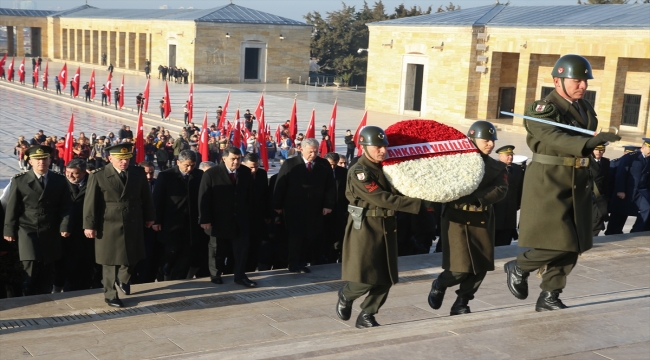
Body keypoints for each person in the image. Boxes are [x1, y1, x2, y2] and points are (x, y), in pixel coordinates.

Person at [504, 54, 621, 312]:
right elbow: (555, 137)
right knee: (560, 239)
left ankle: (550, 294)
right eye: (577, 80)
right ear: (558, 80)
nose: (584, 86)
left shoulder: (585, 108)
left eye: (586, 81)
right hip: (550, 180)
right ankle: (520, 266)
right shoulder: (543, 108)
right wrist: (590, 142)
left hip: (578, 179)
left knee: (577, 240)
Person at [335, 126, 424, 328]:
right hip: (366, 226)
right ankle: (347, 294)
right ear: (365, 146)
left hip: (387, 224)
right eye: (377, 147)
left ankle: (367, 313)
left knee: (387, 276)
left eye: (384, 146)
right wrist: (418, 204)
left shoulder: (387, 168)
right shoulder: (359, 171)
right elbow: (380, 198)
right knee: (366, 276)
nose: (382, 151)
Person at [427, 121, 508, 316]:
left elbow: (501, 189)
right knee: (460, 266)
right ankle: (440, 283)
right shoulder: (454, 162)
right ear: (472, 139)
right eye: (486, 140)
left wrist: (476, 199)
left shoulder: (497, 167)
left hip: (482, 218)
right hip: (457, 219)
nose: (490, 144)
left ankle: (462, 301)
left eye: (492, 140)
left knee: (481, 265)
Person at [83, 143, 155, 307]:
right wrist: (89, 225)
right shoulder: (99, 175)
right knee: (108, 260)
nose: (124, 162)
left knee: (133, 255)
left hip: (133, 219)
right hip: (108, 222)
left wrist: (150, 216)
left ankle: (123, 279)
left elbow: (146, 197)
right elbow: (90, 203)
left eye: (126, 159)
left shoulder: (137, 173)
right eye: (120, 159)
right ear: (110, 158)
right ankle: (110, 294)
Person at [3, 145, 72, 295]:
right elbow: (12, 207)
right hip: (27, 228)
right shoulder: (20, 181)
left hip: (50, 229)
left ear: (50, 160)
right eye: (37, 159)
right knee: (30, 264)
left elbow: (66, 206)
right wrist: (9, 229)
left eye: (44, 159)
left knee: (47, 268)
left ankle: (43, 297)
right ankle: (27, 297)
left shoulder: (59, 180)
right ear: (30, 161)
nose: (41, 162)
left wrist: (65, 226)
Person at [273, 138, 336, 273]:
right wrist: (277, 205)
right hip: (294, 208)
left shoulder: (323, 164)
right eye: (310, 152)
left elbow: (330, 186)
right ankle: (293, 263)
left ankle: (303, 262)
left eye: (316, 151)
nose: (313, 155)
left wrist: (328, 204)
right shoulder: (291, 163)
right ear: (301, 149)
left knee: (311, 236)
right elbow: (280, 185)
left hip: (315, 208)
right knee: (295, 237)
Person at [199, 147, 257, 288]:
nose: (236, 162)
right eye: (233, 159)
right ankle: (215, 274)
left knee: (241, 249)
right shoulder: (211, 174)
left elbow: (249, 195)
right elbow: (204, 198)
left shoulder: (245, 172)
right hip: (218, 219)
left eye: (238, 159)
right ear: (224, 158)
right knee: (217, 249)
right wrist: (205, 218)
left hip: (240, 218)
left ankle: (240, 275)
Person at [152, 150, 205, 281]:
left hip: (191, 223)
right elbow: (157, 199)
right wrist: (156, 220)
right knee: (170, 252)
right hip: (171, 222)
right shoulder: (166, 176)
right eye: (186, 165)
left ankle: (179, 279)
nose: (190, 168)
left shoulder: (199, 175)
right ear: (178, 162)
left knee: (186, 253)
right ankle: (164, 274)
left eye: (193, 165)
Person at [613, 138, 650, 232]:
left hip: (641, 192)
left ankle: (636, 231)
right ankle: (612, 232)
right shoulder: (631, 157)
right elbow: (621, 173)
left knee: (647, 208)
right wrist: (620, 190)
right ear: (643, 147)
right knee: (620, 213)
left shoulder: (648, 159)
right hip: (628, 190)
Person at [242, 153, 270, 272]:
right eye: (251, 167)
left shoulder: (262, 174)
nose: (253, 170)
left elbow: (266, 195)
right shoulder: (240, 174)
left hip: (258, 217)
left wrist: (267, 214)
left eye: (256, 167)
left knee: (257, 245)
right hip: (243, 217)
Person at [493, 145, 524, 246]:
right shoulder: (493, 168)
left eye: (511, 155)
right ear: (500, 156)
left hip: (511, 209)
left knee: (507, 236)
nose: (510, 157)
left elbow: (520, 187)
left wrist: (519, 203)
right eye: (507, 155)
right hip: (497, 208)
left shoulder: (517, 169)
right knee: (495, 235)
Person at [323, 152, 349, 263]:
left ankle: (337, 256)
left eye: (335, 164)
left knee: (339, 235)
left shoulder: (343, 172)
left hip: (339, 209)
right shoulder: (320, 171)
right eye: (330, 164)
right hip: (324, 210)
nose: (332, 167)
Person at [590, 143, 610, 236]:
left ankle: (594, 236)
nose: (598, 152)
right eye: (596, 149)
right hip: (588, 194)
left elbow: (607, 180)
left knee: (600, 216)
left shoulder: (606, 162)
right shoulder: (586, 161)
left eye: (601, 150)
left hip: (600, 196)